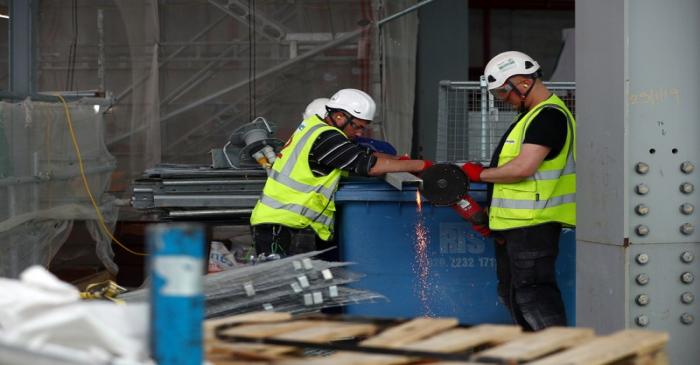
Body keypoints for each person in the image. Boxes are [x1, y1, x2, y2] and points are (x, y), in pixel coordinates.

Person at [462, 51, 576, 331]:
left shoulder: (548, 117)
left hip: (532, 226)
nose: (503, 100)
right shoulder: (532, 117)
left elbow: (523, 168)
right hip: (516, 225)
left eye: (504, 92)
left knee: (534, 296)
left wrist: (480, 174)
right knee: (514, 294)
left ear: (523, 83)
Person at [250, 88, 431, 256]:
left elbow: (363, 153)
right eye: (357, 126)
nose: (360, 133)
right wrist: (421, 165)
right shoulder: (326, 138)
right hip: (280, 225)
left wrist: (401, 161)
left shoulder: (315, 128)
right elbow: (369, 165)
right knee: (280, 286)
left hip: (283, 221)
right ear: (339, 116)